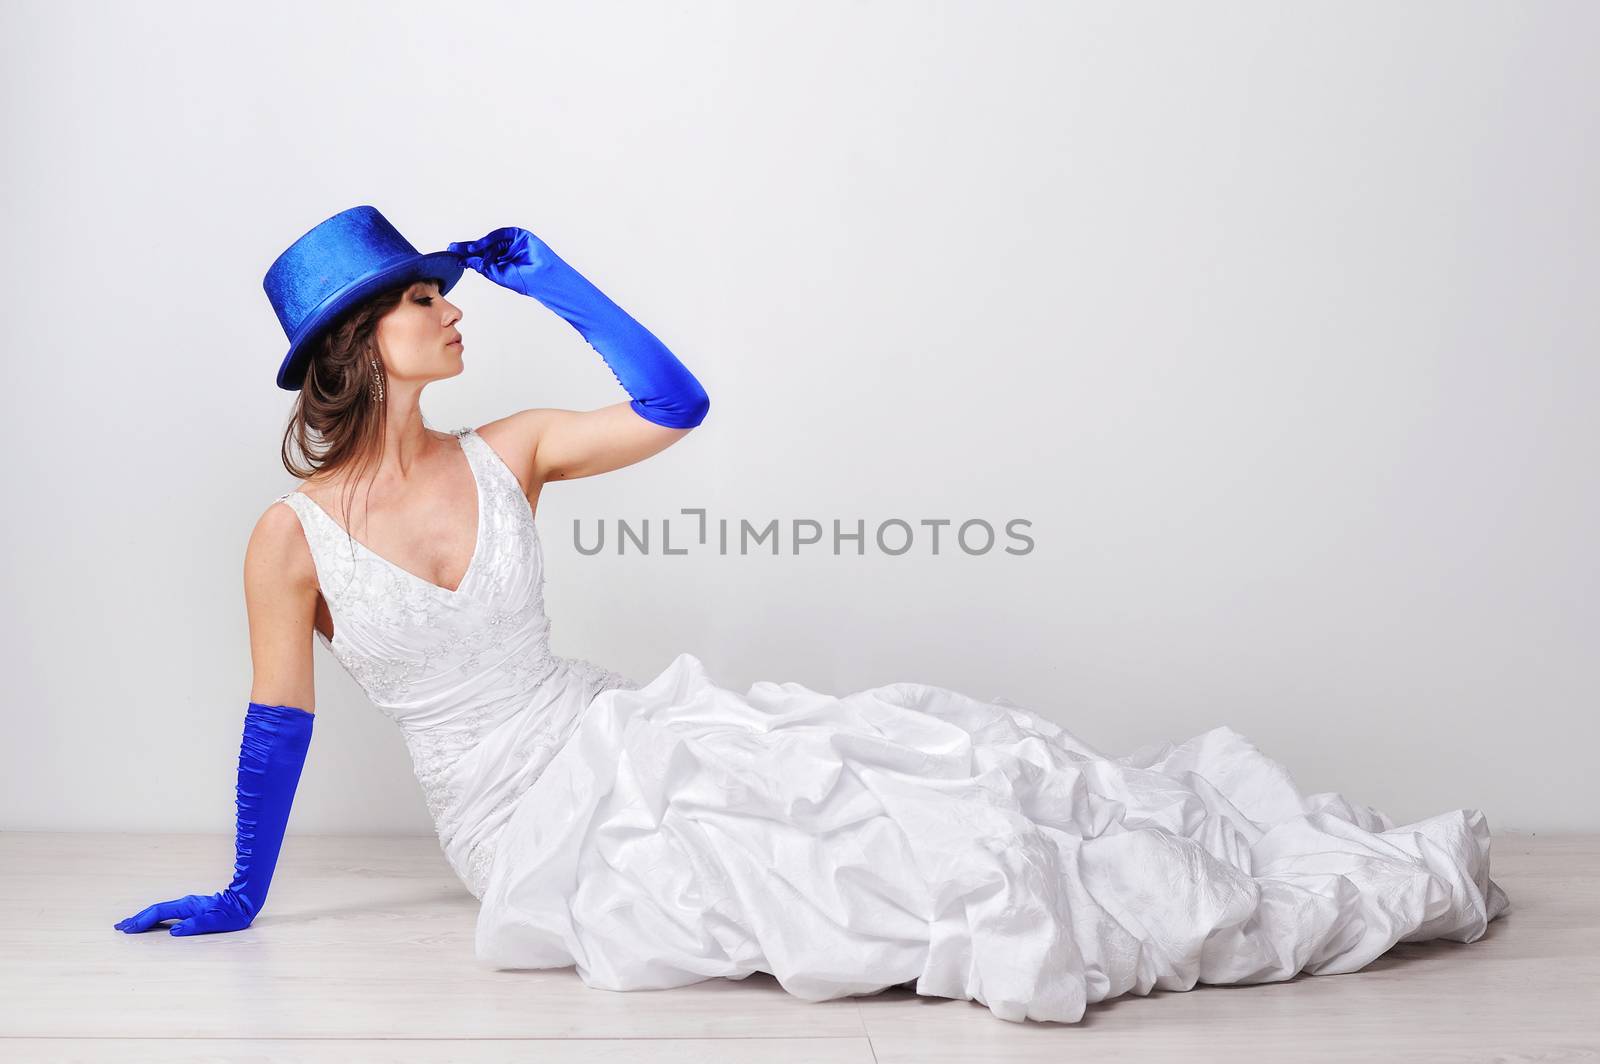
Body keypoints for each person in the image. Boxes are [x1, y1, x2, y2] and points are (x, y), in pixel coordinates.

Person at [113, 205, 1510, 1025]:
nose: (450, 308)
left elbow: (675, 404)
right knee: (806, 882)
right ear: (362, 344)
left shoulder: (514, 446)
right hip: (513, 820)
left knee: (897, 779)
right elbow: (276, 722)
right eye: (426, 298)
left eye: (446, 289)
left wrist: (562, 285)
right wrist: (242, 891)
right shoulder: (287, 543)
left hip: (613, 726)